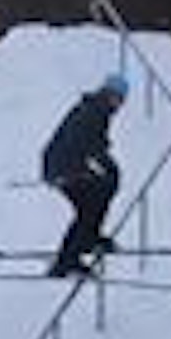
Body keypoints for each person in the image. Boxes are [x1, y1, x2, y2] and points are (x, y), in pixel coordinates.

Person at [40, 73, 129, 277]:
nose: (119, 104)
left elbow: (96, 141)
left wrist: (103, 161)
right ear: (108, 93)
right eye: (118, 98)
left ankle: (88, 238)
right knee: (89, 207)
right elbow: (78, 140)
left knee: (103, 190)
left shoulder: (99, 109)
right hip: (62, 166)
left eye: (122, 100)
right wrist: (90, 166)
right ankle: (66, 261)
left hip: (67, 164)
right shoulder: (94, 110)